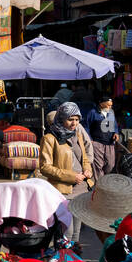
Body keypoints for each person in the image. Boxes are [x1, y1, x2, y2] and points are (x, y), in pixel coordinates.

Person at [39, 102, 94, 246]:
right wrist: (71, 176)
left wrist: (88, 169)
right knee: (66, 232)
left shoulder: (78, 135)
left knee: (76, 233)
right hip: (63, 191)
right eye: (70, 119)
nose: (74, 123)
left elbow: (85, 157)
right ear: (61, 118)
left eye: (76, 119)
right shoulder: (49, 138)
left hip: (82, 190)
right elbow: (45, 167)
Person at [84, 95, 119, 178]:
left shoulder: (111, 112)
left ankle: (106, 181)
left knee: (110, 164)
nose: (110, 107)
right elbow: (86, 126)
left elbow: (115, 125)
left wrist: (116, 133)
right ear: (101, 104)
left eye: (111, 105)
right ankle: (99, 184)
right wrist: (90, 139)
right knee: (98, 165)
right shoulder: (93, 112)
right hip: (97, 142)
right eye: (108, 105)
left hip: (110, 142)